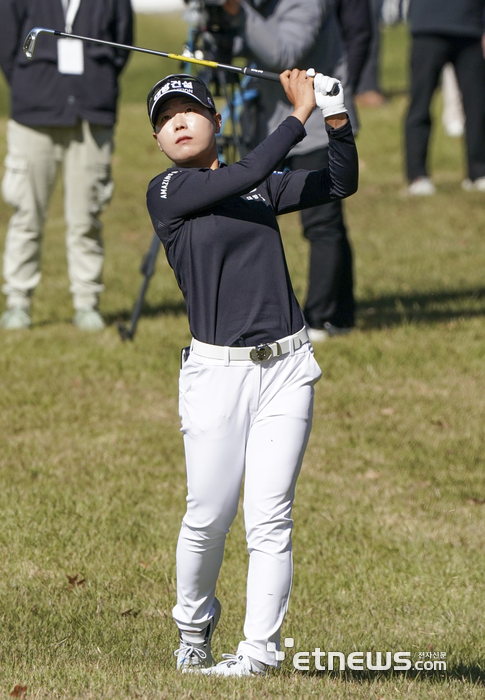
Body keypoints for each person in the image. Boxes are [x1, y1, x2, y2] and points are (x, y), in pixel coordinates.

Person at [146, 69, 358, 676]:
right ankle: (193, 625)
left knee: (270, 517)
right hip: (216, 377)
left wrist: (336, 120)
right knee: (208, 516)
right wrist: (299, 115)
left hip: (286, 367)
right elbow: (248, 170)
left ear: (216, 121)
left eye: (188, 112)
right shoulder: (167, 193)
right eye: (164, 121)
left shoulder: (257, 187)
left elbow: (341, 181)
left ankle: (259, 653)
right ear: (160, 143)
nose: (177, 124)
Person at [220, 0, 368, 342]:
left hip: (316, 126)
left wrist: (236, 11)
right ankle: (341, 312)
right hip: (276, 124)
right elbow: (245, 46)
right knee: (310, 221)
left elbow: (284, 54)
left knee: (322, 223)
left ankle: (321, 316)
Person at [0, 0, 133, 330]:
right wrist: (34, 87)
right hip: (33, 116)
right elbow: (4, 42)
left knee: (86, 216)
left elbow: (121, 46)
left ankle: (87, 302)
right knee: (26, 212)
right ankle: (18, 301)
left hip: (92, 116)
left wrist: (94, 85)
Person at [404, 0, 485, 196]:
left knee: (477, 106)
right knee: (420, 105)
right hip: (428, 25)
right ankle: (417, 175)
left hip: (470, 26)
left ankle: (478, 172)